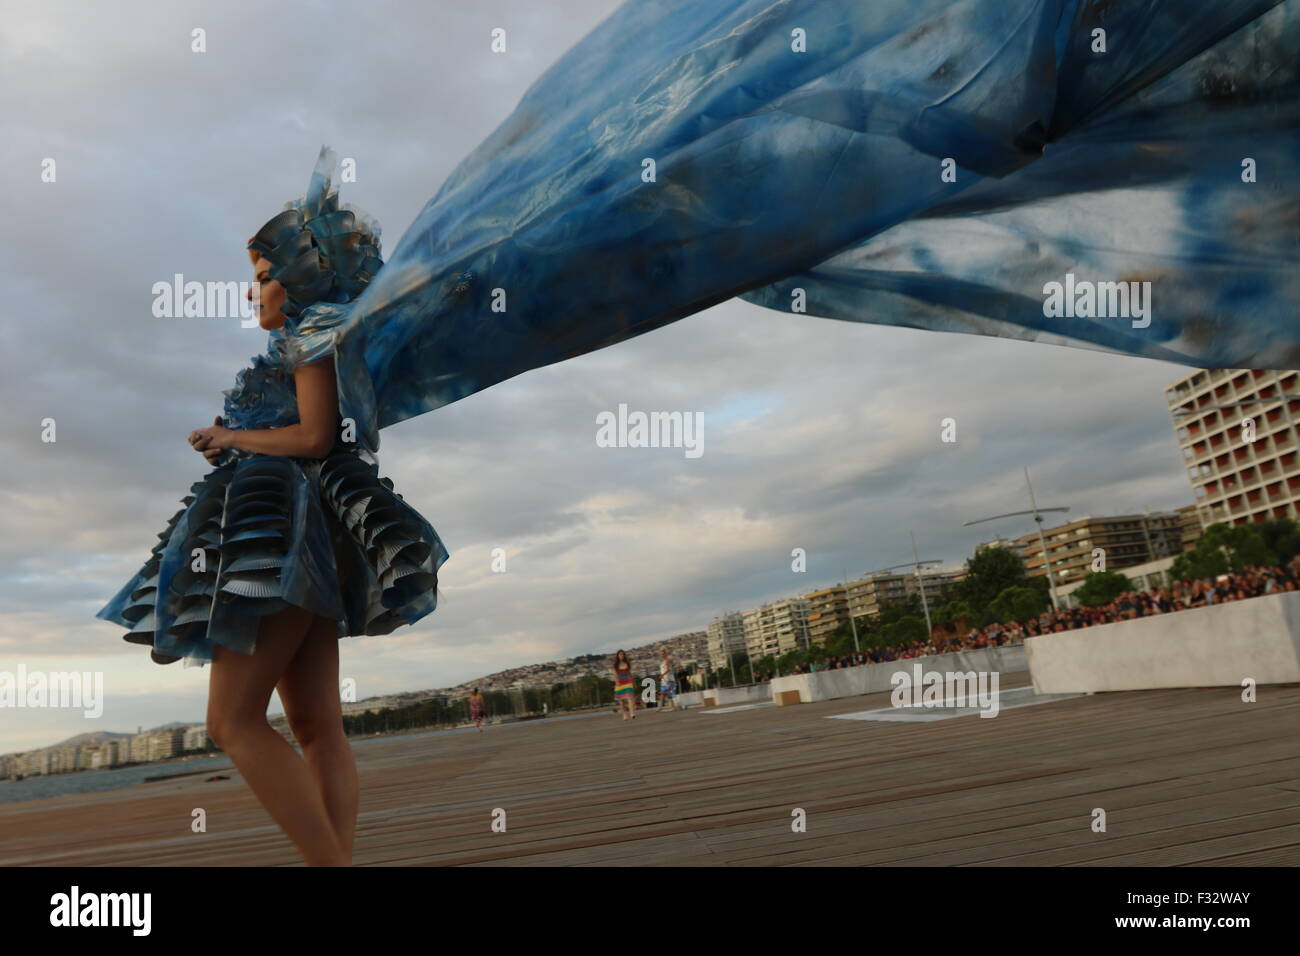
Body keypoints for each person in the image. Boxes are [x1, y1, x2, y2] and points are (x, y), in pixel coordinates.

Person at [96, 148, 449, 867]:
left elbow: (316, 437)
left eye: (263, 277)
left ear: (300, 279)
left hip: (280, 540)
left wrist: (232, 435)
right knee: (318, 726)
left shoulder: (309, 338)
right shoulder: (321, 342)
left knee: (232, 722)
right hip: (308, 534)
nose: (254, 293)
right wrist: (236, 443)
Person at [613, 650, 636, 721]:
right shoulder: (615, 665)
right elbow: (615, 675)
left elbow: (630, 674)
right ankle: (625, 714)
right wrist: (617, 682)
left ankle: (632, 713)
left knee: (630, 698)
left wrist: (633, 682)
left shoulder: (627, 663)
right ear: (617, 656)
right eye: (620, 654)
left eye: (623, 654)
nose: (621, 656)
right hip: (619, 683)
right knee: (621, 700)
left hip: (627, 682)